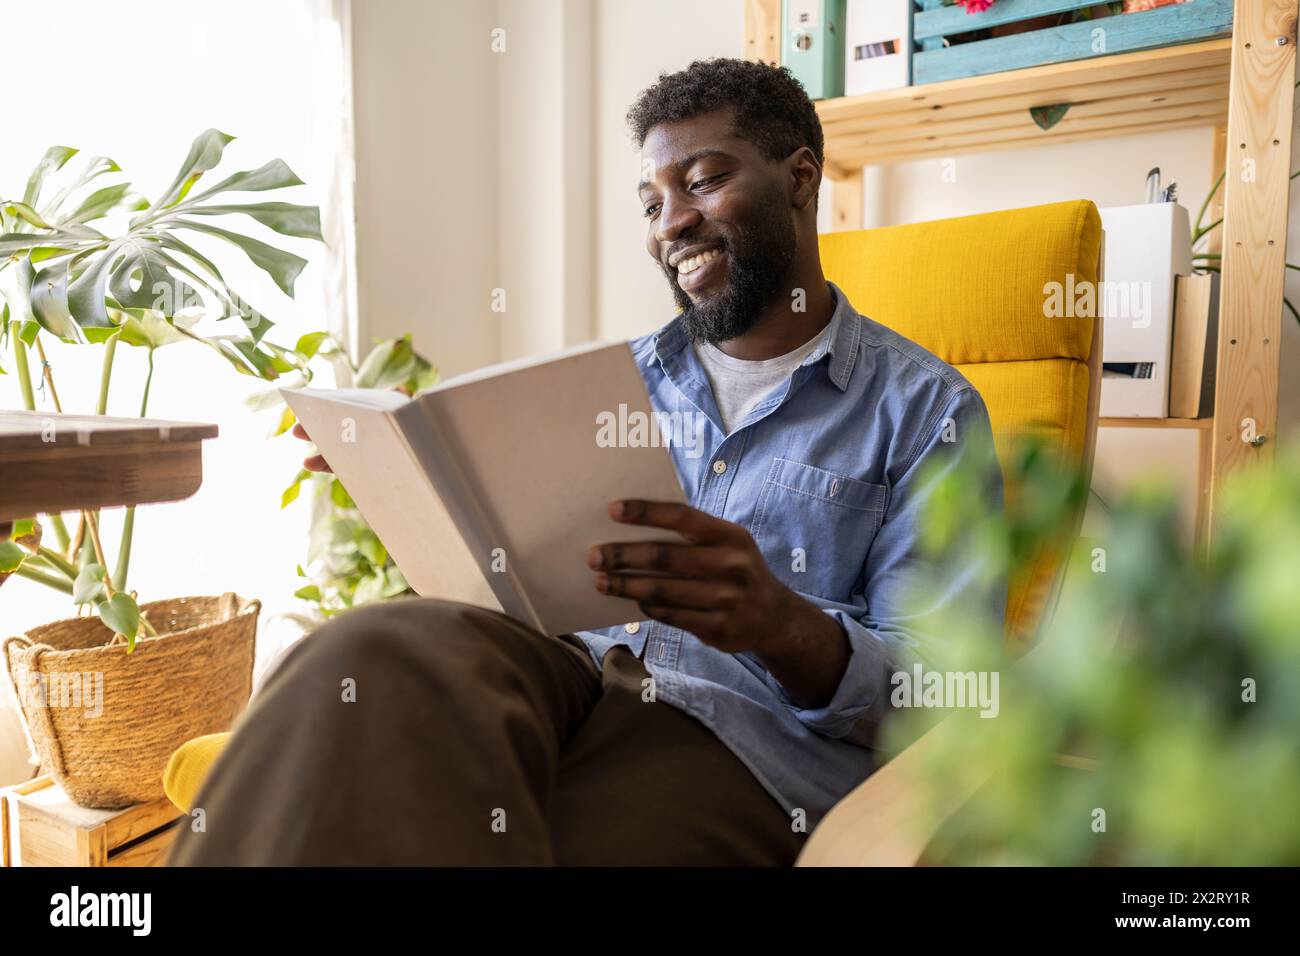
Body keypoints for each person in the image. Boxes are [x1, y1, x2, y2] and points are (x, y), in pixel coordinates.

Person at [168, 57, 1004, 867]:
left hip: (738, 744)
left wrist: (780, 625)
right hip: (559, 673)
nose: (670, 223)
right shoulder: (614, 380)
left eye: (704, 181)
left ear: (801, 177)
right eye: (652, 201)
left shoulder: (927, 413)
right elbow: (515, 577)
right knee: (361, 648)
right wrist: (410, 493)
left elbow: (940, 697)